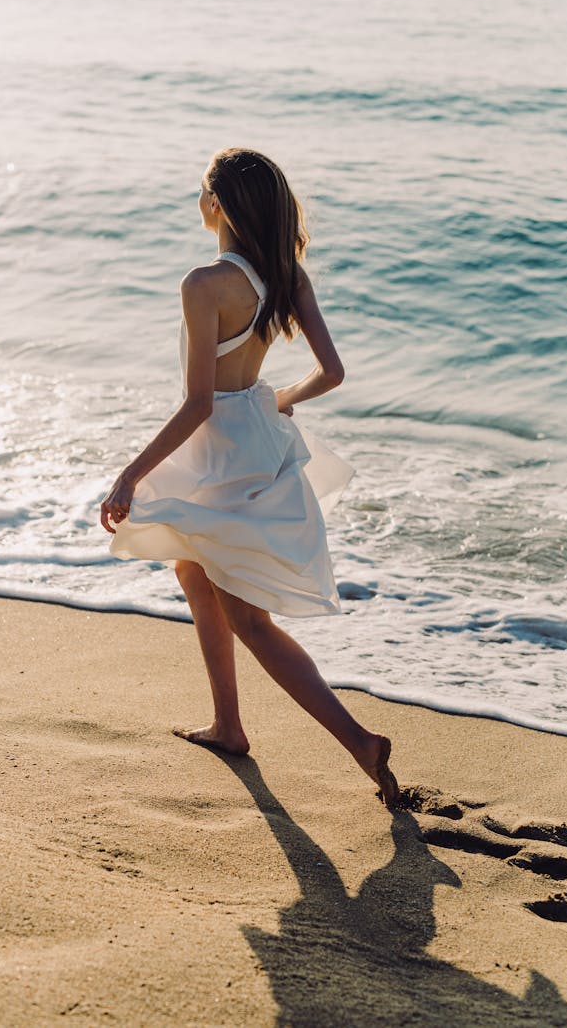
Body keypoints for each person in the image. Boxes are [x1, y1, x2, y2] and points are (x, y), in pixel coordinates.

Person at [100, 148, 399, 810]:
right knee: (190, 568)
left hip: (222, 457)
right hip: (257, 441)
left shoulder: (204, 284)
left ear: (218, 207)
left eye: (202, 193)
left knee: (250, 620)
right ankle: (229, 725)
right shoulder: (284, 273)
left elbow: (200, 402)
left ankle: (359, 739)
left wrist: (130, 473)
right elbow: (333, 372)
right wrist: (276, 400)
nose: (199, 203)